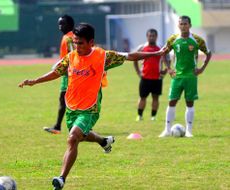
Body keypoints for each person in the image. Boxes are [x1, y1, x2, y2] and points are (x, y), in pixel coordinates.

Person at [18, 23, 164, 189]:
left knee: (73, 138)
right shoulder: (71, 57)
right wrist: (35, 81)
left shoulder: (103, 57)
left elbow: (130, 56)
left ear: (91, 42)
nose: (77, 46)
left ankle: (61, 179)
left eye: (80, 43)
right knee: (81, 135)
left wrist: (157, 53)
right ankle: (103, 141)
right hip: (71, 106)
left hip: (90, 108)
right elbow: (56, 72)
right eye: (75, 42)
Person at [158, 15, 212, 138]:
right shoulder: (173, 39)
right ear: (178, 25)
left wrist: (202, 68)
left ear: (190, 25)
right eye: (181, 24)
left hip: (191, 76)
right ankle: (166, 130)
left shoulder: (197, 40)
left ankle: (189, 131)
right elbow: (163, 53)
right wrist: (169, 69)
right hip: (177, 76)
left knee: (190, 103)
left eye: (185, 24)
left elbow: (208, 53)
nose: (183, 26)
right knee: (172, 101)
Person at [43, 15, 75, 134]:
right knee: (66, 100)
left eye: (63, 24)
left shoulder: (69, 38)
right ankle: (58, 126)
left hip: (70, 75)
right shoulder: (68, 37)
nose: (60, 27)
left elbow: (74, 55)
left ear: (70, 25)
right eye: (59, 24)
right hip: (67, 74)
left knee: (66, 100)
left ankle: (59, 126)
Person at [133, 28, 170, 121]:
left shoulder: (161, 48)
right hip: (145, 77)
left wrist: (166, 70)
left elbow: (168, 59)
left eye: (153, 36)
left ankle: (153, 117)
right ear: (147, 37)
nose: (151, 38)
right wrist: (138, 72)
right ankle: (139, 116)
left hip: (157, 78)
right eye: (150, 36)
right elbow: (134, 59)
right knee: (142, 98)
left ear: (156, 37)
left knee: (155, 98)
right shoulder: (142, 48)